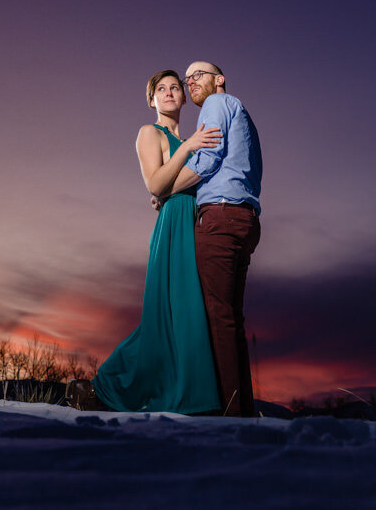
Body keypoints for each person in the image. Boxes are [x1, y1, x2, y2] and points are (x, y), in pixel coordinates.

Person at [67, 70, 223, 413]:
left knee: (188, 314)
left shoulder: (192, 134)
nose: (169, 93)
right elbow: (155, 184)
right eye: (161, 89)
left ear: (183, 98)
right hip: (172, 226)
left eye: (174, 88)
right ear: (152, 100)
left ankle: (192, 395)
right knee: (163, 317)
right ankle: (103, 388)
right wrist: (189, 148)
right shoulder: (149, 133)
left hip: (192, 221)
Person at [162, 61, 262, 417]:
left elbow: (207, 159)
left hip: (220, 217)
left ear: (219, 79)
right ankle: (243, 411)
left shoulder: (218, 105)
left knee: (216, 318)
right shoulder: (243, 115)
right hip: (246, 220)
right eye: (187, 79)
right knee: (231, 319)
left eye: (197, 75)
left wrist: (166, 189)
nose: (190, 83)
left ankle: (227, 415)